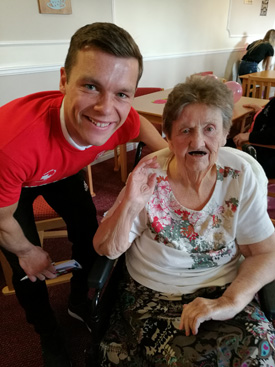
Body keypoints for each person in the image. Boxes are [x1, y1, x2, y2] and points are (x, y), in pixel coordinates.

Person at [0, 22, 167, 366]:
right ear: (63, 80)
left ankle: (78, 301)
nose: (106, 109)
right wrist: (28, 250)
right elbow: (1, 220)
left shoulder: (120, 118)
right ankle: (48, 333)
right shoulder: (13, 145)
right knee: (26, 271)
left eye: (122, 93)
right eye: (91, 86)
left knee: (88, 235)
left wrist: (173, 159)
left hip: (58, 173)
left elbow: (144, 129)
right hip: (17, 182)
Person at [93, 76, 275, 366]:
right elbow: (106, 248)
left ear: (226, 133)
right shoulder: (150, 175)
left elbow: (266, 252)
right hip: (154, 297)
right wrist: (130, 203)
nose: (198, 141)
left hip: (222, 292)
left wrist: (231, 301)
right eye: (185, 130)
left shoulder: (240, 175)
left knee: (259, 348)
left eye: (210, 129)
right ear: (167, 135)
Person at [233, 97, 275, 178]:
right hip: (262, 149)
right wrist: (261, 112)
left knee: (223, 154)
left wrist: (249, 136)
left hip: (267, 157)